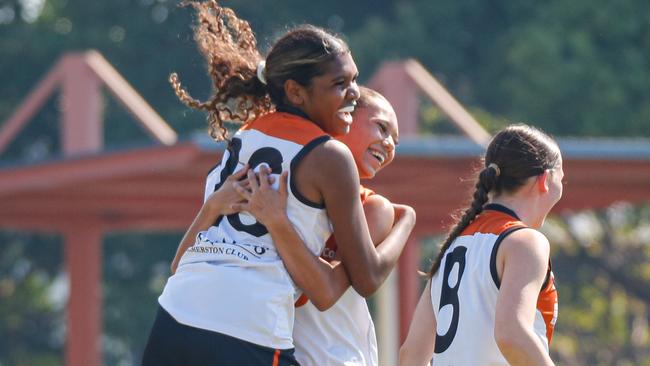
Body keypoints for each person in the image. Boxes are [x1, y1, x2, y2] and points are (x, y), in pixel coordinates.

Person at [141, 1, 416, 365]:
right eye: (340, 83)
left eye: (354, 80)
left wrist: (213, 207)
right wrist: (406, 221)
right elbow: (365, 280)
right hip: (247, 326)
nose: (353, 92)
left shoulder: (246, 135)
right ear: (296, 91)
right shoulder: (331, 156)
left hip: (176, 314)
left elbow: (181, 264)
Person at [399, 124, 562, 366]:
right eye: (562, 178)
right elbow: (511, 335)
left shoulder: (453, 245)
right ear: (545, 180)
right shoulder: (525, 242)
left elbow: (411, 355)